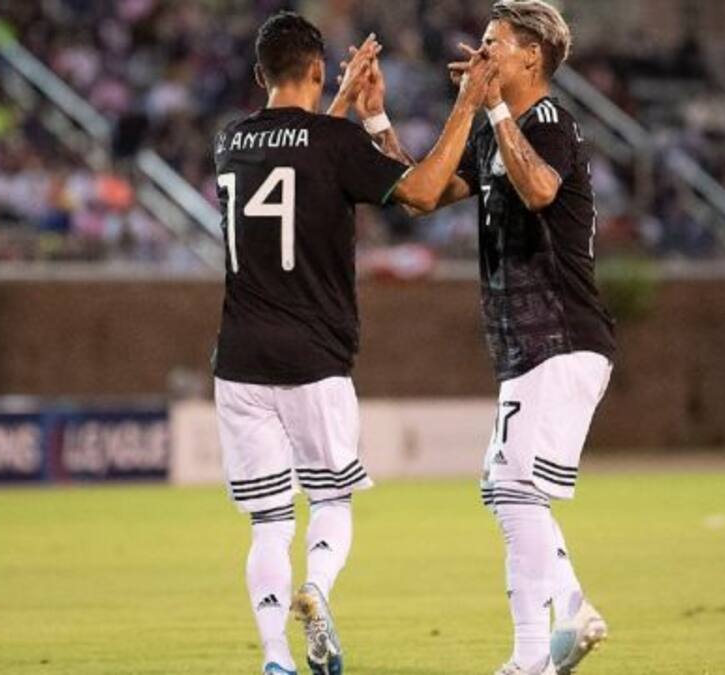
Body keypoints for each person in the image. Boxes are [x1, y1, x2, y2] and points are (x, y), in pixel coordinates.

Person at [211, 11, 496, 675]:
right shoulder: (335, 144)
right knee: (331, 500)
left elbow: (298, 152)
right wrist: (466, 103)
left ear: (259, 74)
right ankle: (316, 588)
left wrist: (338, 103)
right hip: (315, 357)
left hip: (240, 360)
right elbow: (421, 192)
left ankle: (276, 659)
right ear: (317, 69)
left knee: (268, 523)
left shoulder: (230, 141)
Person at [365, 2, 616, 673]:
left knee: (508, 488)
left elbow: (539, 191)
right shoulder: (493, 131)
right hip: (526, 343)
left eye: (492, 42)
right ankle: (531, 655)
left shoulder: (551, 121)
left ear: (531, 56)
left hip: (561, 333)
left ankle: (570, 610)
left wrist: (494, 105)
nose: (478, 54)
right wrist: (377, 121)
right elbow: (422, 193)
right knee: (510, 491)